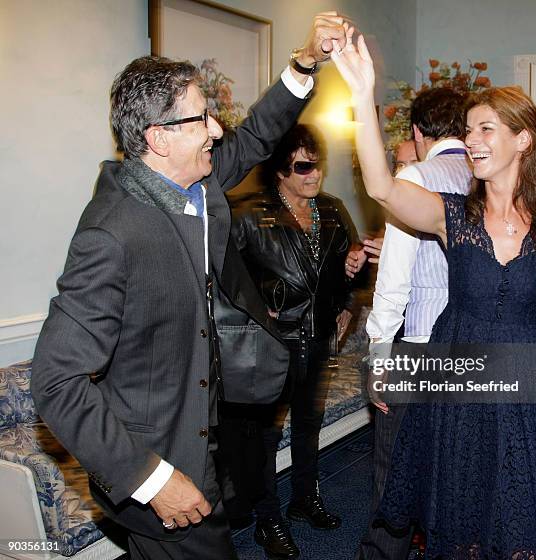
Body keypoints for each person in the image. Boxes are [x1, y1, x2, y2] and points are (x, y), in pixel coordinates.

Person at [30, 14, 349, 560]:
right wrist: (150, 478)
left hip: (208, 422)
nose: (217, 130)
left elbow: (254, 136)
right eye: (203, 119)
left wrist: (303, 63)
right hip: (162, 460)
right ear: (158, 138)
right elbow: (57, 381)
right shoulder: (112, 232)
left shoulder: (193, 181)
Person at [332, 32, 536, 559]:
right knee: (465, 518)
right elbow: (382, 187)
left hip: (529, 383)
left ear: (523, 140)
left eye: (486, 129)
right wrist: (362, 98)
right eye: (469, 129)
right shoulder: (455, 215)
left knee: (524, 519)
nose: (472, 139)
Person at [230, 123, 358, 559]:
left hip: (319, 338)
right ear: (281, 170)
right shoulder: (249, 214)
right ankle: (268, 520)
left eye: (316, 162)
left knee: (308, 427)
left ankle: (304, 498)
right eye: (302, 166)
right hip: (272, 345)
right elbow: (223, 278)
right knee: (266, 438)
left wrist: (346, 298)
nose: (313, 173)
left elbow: (343, 269)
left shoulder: (334, 209)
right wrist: (252, 309)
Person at [356, 87, 473, 560]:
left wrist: (379, 357)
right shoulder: (488, 175)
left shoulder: (416, 175)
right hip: (473, 350)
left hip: (422, 346)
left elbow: (395, 280)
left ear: (419, 134)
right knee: (459, 472)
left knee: (394, 475)